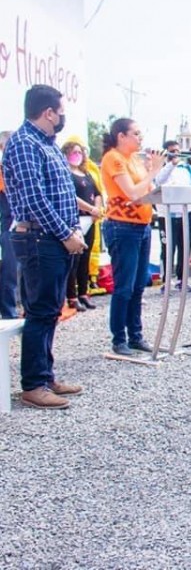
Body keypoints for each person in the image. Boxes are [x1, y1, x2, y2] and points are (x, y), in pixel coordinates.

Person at [2, 84, 85, 408]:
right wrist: (65, 233)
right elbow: (35, 199)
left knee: (51, 310)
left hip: (54, 237)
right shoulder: (24, 144)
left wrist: (71, 229)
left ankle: (45, 375)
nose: (63, 116)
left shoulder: (47, 144)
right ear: (48, 112)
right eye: (61, 111)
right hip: (39, 237)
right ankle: (33, 385)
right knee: (40, 311)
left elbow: (61, 194)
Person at [100, 118, 164, 355]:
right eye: (135, 133)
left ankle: (135, 335)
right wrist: (154, 171)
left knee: (139, 285)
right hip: (122, 226)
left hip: (142, 225)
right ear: (121, 136)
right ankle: (119, 338)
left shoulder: (135, 161)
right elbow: (133, 193)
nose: (140, 138)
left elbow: (147, 191)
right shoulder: (113, 158)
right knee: (124, 285)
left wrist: (152, 172)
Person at [62, 139, 103, 311]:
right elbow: (71, 197)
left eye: (79, 152)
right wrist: (90, 209)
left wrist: (97, 209)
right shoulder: (65, 174)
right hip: (75, 219)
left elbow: (97, 193)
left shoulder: (86, 173)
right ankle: (71, 296)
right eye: (73, 152)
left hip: (91, 219)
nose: (76, 156)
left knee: (85, 257)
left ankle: (83, 293)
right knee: (75, 259)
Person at [155, 140, 191, 292]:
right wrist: (171, 164)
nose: (175, 153)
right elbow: (159, 180)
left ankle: (182, 280)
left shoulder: (186, 168)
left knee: (185, 248)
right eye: (172, 151)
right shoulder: (160, 168)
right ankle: (166, 281)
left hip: (186, 214)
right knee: (167, 249)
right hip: (167, 216)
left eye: (177, 151)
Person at [0, 130, 19, 319]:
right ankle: (8, 311)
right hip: (6, 225)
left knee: (12, 270)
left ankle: (10, 309)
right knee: (9, 269)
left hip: (12, 225)